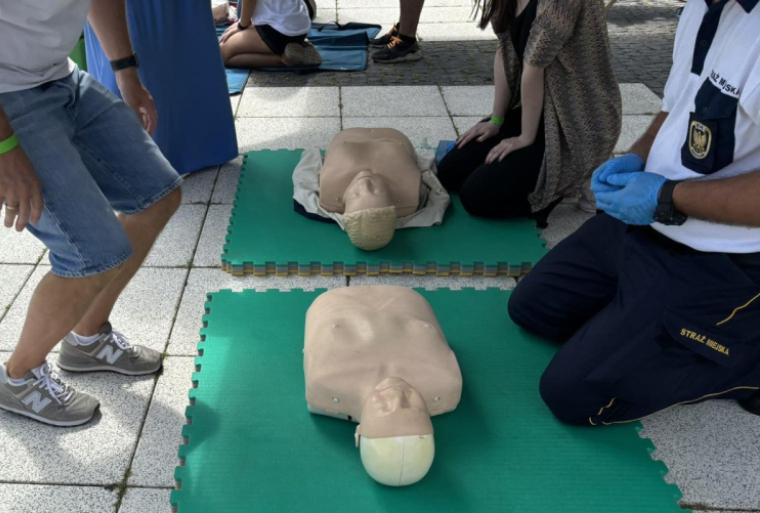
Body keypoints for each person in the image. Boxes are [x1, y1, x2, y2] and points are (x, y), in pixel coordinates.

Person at [0, 0, 182, 427]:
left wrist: (126, 70)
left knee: (156, 194)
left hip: (56, 73)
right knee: (91, 254)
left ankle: (87, 336)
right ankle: (18, 377)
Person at [508, 0, 760, 425]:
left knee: (572, 394)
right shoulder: (703, 6)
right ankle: (641, 320)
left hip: (722, 257)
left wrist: (668, 195)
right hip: (650, 222)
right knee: (534, 308)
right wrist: (637, 158)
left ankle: (748, 361)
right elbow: (677, 107)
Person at [436, 0, 619, 226]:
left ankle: (582, 173)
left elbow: (534, 64)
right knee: (449, 172)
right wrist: (496, 120)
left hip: (578, 124)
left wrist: (525, 137)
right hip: (537, 109)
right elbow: (504, 49)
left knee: (476, 196)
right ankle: (551, 168)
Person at [304, 286, 462, 486]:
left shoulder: (325, 380)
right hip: (408, 299)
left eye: (387, 412)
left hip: (331, 303)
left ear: (359, 435)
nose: (397, 399)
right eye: (411, 408)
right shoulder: (445, 381)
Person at [291, 127, 450, 250]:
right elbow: (433, 188)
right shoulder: (408, 200)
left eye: (356, 194)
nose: (365, 184)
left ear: (344, 205)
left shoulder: (329, 198)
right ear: (393, 202)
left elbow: (306, 174)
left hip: (349, 133)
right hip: (392, 134)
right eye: (376, 191)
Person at [219, 0, 321, 68]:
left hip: (281, 31)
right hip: (299, 23)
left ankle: (287, 59)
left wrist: (242, 25)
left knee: (222, 54)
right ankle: (294, 47)